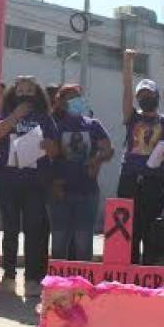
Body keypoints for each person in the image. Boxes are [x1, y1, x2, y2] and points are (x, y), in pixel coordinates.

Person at [0, 75, 59, 297]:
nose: (25, 92)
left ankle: (32, 280)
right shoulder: (5, 113)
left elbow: (55, 151)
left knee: (34, 231)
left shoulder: (45, 117)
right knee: (10, 230)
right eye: (21, 89)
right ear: (13, 92)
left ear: (37, 93)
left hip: (36, 182)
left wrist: (48, 145)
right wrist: (15, 116)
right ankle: (8, 277)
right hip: (8, 179)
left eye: (30, 89)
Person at [118, 50, 164, 264]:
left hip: (155, 181)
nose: (145, 99)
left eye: (149, 95)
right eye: (141, 96)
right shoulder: (132, 117)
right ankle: (128, 272)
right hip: (130, 179)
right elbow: (126, 91)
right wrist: (128, 64)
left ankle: (148, 271)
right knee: (128, 229)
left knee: (150, 229)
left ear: (157, 96)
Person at [48, 85, 112, 261]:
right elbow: (48, 156)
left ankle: (82, 286)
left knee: (83, 244)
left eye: (77, 97)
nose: (74, 101)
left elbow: (108, 150)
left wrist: (97, 160)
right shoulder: (54, 126)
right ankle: (58, 284)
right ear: (60, 102)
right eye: (69, 97)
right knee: (59, 244)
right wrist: (53, 182)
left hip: (87, 192)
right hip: (61, 193)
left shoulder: (93, 125)